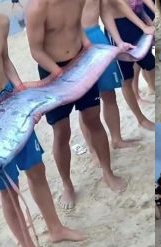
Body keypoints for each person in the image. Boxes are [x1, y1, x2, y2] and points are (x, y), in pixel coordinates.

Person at [0, 0, 84, 245]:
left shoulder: (1, 22)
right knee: (8, 189)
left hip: (10, 98)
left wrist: (21, 93)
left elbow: (6, 62)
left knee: (36, 169)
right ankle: (27, 243)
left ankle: (55, 228)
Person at [26, 0, 127, 210]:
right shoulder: (37, 7)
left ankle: (107, 172)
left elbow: (76, 26)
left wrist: (87, 45)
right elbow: (36, 50)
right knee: (61, 131)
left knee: (93, 119)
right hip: (53, 72)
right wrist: (58, 72)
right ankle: (67, 185)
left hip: (80, 61)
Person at [81, 0, 140, 150]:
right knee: (87, 104)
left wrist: (118, 41)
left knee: (109, 94)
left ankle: (116, 139)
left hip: (97, 34)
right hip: (77, 39)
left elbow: (105, 11)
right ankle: (92, 149)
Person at [101, 0, 155, 131]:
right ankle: (140, 119)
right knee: (127, 78)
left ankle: (151, 94)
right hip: (117, 27)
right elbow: (117, 4)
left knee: (151, 64)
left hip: (134, 21)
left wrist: (148, 20)